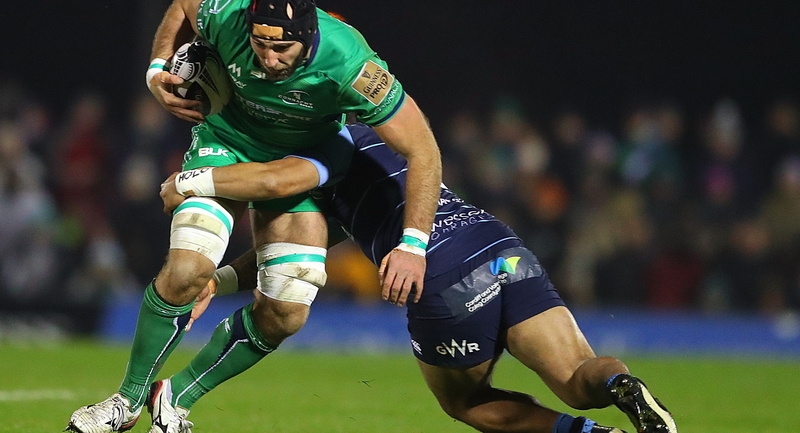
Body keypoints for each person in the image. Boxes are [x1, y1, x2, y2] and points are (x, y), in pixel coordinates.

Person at [66, 0, 441, 431]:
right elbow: (187, 1)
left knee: (287, 308)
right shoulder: (229, 12)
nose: (268, 58)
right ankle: (125, 402)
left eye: (282, 48)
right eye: (260, 43)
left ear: (309, 35)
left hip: (301, 158)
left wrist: (413, 245)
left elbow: (423, 148)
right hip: (226, 140)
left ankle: (176, 396)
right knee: (186, 270)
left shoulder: (350, 62)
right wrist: (156, 70)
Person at [155, 124, 678, 433]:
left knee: (465, 402)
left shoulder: (308, 159)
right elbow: (325, 236)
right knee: (578, 376)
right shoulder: (383, 128)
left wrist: (194, 186)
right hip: (498, 246)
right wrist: (222, 280)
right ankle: (621, 385)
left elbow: (287, 235)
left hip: (441, 272)